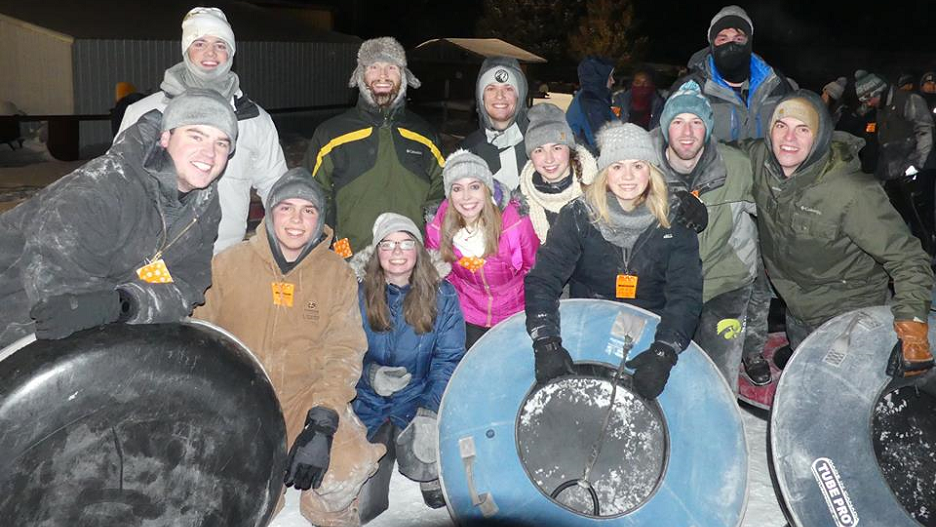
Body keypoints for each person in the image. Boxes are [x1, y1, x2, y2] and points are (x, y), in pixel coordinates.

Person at [193, 169, 384, 526]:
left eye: (308, 210)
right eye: (286, 208)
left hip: (304, 399)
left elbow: (343, 350)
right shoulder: (228, 265)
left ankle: (322, 505)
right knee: (240, 503)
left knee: (351, 467)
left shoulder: (336, 273)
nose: (297, 220)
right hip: (241, 404)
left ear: (320, 218)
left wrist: (323, 421)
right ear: (269, 213)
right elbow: (200, 337)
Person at [0, 89, 236, 349]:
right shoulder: (104, 187)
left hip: (95, 327)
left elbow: (187, 284)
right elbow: (57, 298)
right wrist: (100, 308)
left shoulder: (204, 207)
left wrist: (125, 303)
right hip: (15, 314)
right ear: (165, 138)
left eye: (221, 143)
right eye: (196, 136)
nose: (209, 154)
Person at [744, 91, 934, 377]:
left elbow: (909, 259)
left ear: (820, 136)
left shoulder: (852, 194)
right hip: (797, 310)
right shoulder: (761, 161)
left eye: (802, 129)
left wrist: (912, 328)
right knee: (808, 381)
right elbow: (709, 152)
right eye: (781, 127)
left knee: (842, 390)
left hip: (849, 318)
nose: (788, 139)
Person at [525, 122, 703, 400]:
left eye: (638, 165)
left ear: (651, 171)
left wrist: (664, 352)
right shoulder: (579, 216)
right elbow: (543, 278)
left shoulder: (674, 220)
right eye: (617, 166)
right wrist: (546, 342)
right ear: (605, 172)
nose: (628, 176)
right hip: (589, 324)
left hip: (652, 329)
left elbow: (686, 293)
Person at [118, 7, 287, 254]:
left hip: (225, 258)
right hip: (155, 260)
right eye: (199, 43)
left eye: (220, 44)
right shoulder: (143, 113)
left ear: (231, 52)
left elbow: (277, 188)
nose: (210, 53)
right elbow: (118, 185)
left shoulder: (254, 120)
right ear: (186, 49)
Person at [650, 80, 769, 391]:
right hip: (666, 287)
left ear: (708, 127)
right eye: (677, 122)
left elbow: (773, 212)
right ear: (665, 127)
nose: (687, 133)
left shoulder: (739, 167)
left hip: (726, 284)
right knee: (667, 376)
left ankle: (720, 433)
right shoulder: (643, 169)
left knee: (720, 376)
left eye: (696, 122)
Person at [349, 213, 466, 521]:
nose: (397, 252)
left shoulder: (443, 295)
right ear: (376, 253)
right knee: (358, 505)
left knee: (424, 460)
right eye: (387, 245)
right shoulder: (356, 293)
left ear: (418, 250)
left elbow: (449, 358)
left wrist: (430, 409)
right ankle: (378, 451)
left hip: (418, 398)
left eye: (405, 243)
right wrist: (369, 375)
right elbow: (341, 352)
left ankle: (425, 461)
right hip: (366, 401)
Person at [303, 37, 444, 255]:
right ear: (360, 76)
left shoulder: (424, 134)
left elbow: (443, 187)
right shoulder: (331, 134)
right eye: (373, 67)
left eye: (392, 67)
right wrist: (332, 245)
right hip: (352, 259)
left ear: (404, 76)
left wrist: (429, 231)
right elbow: (311, 194)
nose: (383, 75)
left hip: (410, 259)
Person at [426, 150, 538, 349]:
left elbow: (534, 268)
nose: (466, 197)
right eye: (457, 189)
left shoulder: (514, 222)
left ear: (487, 188)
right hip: (469, 315)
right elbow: (441, 274)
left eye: (474, 186)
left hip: (514, 312)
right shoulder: (437, 226)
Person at [676, 5, 795, 142]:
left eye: (738, 39)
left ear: (749, 42)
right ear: (712, 44)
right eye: (723, 39)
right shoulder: (690, 89)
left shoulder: (775, 84)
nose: (731, 45)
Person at [855, 70, 936, 256]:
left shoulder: (908, 100)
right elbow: (885, 145)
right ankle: (910, 257)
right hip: (895, 175)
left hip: (917, 171)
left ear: (877, 92)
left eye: (868, 100)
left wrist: (917, 165)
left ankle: (930, 256)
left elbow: (924, 130)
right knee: (898, 220)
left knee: (922, 219)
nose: (867, 104)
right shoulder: (881, 110)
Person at [519, 102, 598, 244]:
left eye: (556, 148)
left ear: (569, 149)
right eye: (539, 150)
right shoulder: (521, 204)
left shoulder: (598, 191)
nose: (549, 159)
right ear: (530, 156)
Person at [460, 56, 530, 191]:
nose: (500, 96)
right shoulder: (467, 151)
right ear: (481, 97)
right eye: (491, 88)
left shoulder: (541, 141)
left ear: (519, 96)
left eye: (508, 88)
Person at [566, 55, 618, 153]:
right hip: (589, 159)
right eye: (610, 77)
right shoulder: (591, 102)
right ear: (599, 79)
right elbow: (600, 142)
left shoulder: (591, 96)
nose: (613, 81)